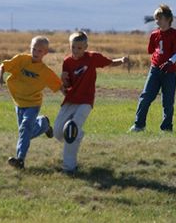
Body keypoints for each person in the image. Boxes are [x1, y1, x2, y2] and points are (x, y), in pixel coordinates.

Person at [54, 31, 128, 173]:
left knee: (71, 130)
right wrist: (63, 81)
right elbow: (66, 86)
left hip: (85, 102)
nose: (76, 51)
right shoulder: (67, 62)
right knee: (58, 133)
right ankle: (79, 135)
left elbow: (110, 63)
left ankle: (69, 167)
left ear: (86, 46)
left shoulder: (93, 58)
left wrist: (122, 61)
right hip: (70, 100)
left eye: (79, 48)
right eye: (73, 47)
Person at [0, 36, 63, 169]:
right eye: (34, 49)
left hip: (33, 104)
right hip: (18, 103)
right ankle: (43, 124)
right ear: (30, 48)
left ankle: (20, 160)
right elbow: (3, 66)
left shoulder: (45, 71)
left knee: (25, 129)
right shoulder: (21, 60)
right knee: (25, 132)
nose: (36, 53)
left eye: (39, 51)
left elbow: (59, 86)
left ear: (45, 53)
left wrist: (70, 99)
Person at [130, 4, 176, 132]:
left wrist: (170, 61)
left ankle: (166, 127)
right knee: (145, 97)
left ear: (167, 19)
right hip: (155, 71)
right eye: (156, 19)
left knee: (168, 101)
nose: (157, 21)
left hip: (169, 72)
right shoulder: (154, 34)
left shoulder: (175, 34)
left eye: (159, 18)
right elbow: (151, 51)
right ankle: (139, 125)